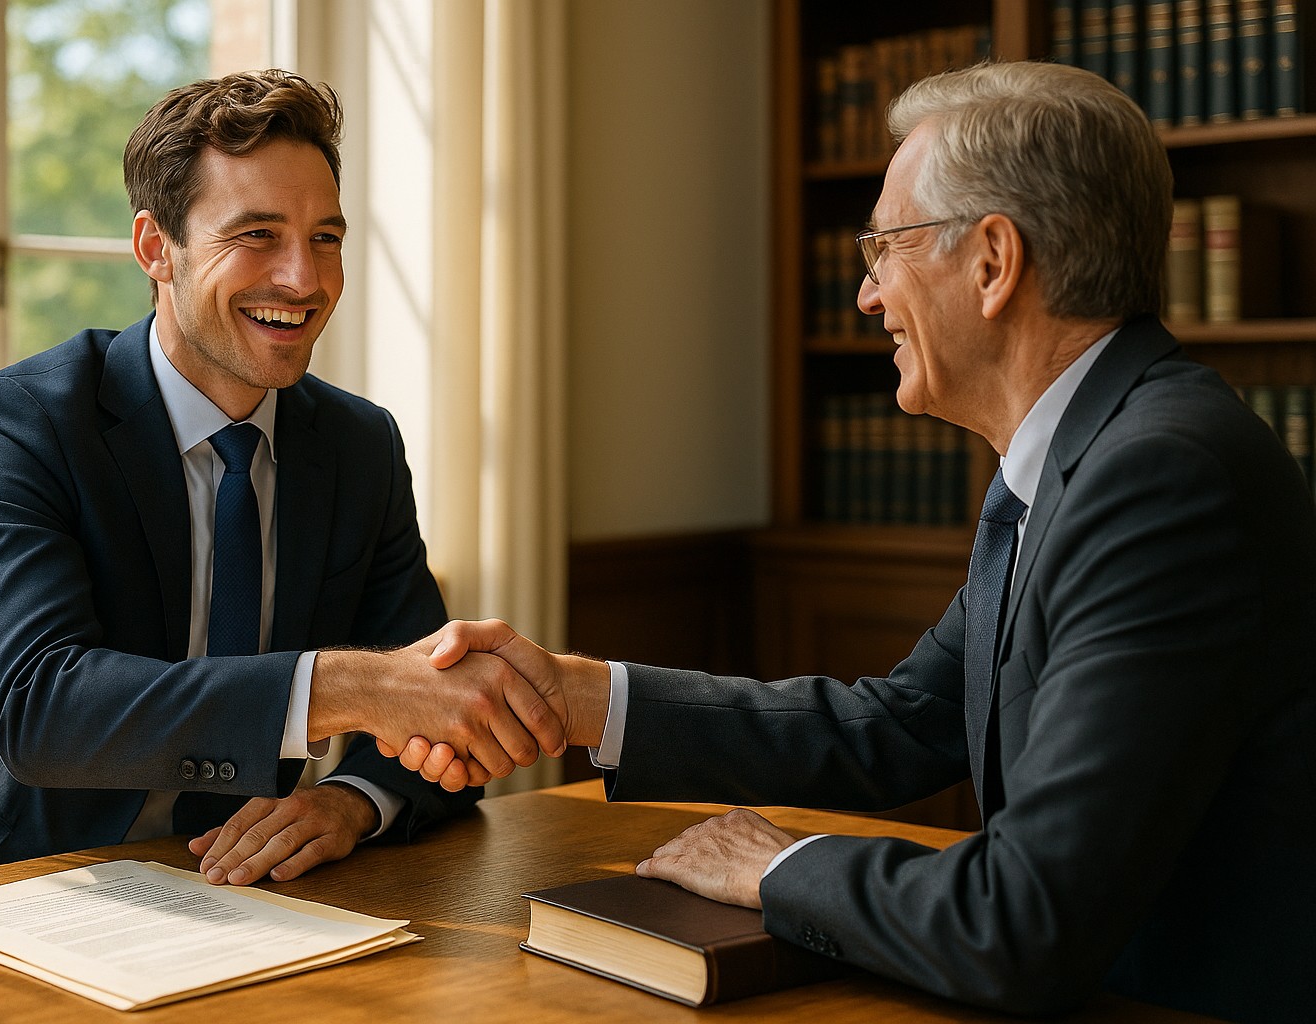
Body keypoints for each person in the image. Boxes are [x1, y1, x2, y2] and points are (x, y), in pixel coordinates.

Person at [397, 61, 1316, 1023]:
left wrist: (782, 866)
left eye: (885, 248)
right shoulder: (1078, 456)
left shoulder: (1159, 479)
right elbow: (904, 723)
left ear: (994, 263)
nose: (869, 296)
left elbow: (1023, 921)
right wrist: (583, 697)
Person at [0, 70, 562, 889]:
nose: (304, 280)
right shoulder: (21, 422)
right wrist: (348, 685)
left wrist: (348, 801)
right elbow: (40, 709)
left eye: (327, 238)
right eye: (258, 235)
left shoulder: (359, 446)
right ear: (156, 249)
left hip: (248, 896)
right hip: (6, 878)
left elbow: (436, 716)